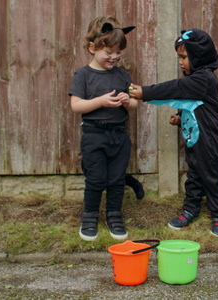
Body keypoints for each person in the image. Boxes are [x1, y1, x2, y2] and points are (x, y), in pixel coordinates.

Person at [129, 29, 218, 236]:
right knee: (193, 175)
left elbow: (177, 88)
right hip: (195, 137)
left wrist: (145, 92)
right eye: (179, 58)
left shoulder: (205, 79)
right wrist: (180, 117)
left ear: (198, 56)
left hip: (210, 139)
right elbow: (193, 103)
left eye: (184, 57)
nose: (181, 62)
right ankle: (191, 209)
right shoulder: (197, 78)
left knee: (211, 176)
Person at [68, 16, 140, 241]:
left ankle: (114, 215)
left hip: (119, 136)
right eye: (108, 53)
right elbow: (76, 105)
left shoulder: (122, 75)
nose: (114, 57)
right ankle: (89, 216)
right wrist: (100, 101)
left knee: (116, 179)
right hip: (94, 135)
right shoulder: (83, 75)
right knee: (96, 179)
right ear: (92, 48)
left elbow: (135, 103)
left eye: (118, 53)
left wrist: (128, 101)